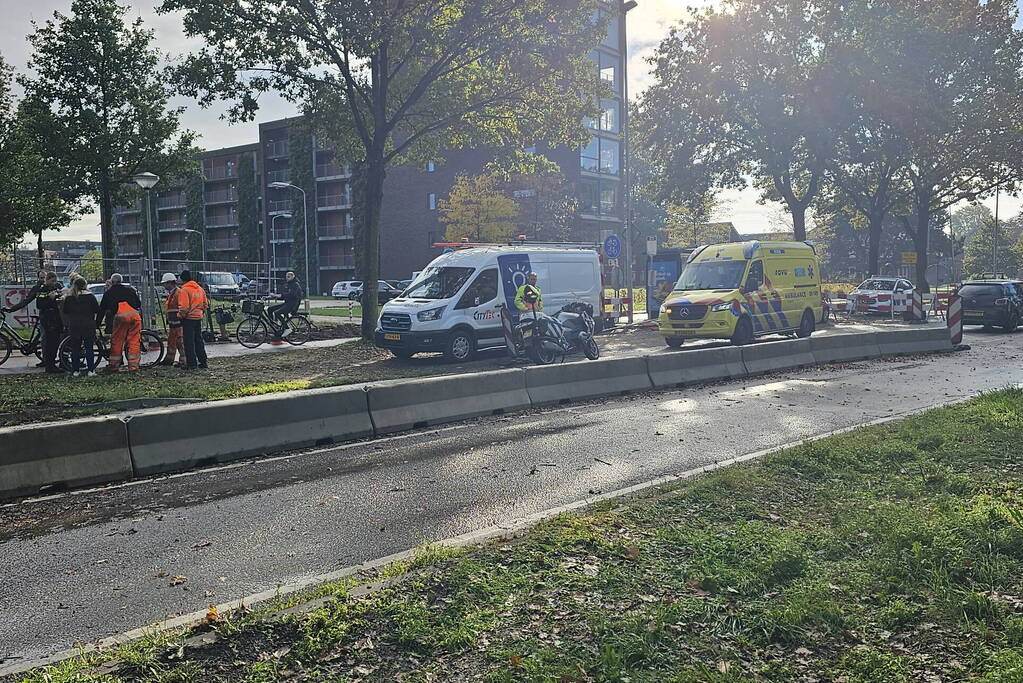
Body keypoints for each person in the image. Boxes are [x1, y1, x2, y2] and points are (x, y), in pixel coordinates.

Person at [96, 273, 143, 373]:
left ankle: (114, 366)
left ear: (112, 282)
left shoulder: (109, 293)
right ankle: (133, 367)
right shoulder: (130, 290)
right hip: (135, 317)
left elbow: (102, 310)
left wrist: (97, 323)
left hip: (120, 319)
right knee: (134, 341)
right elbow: (138, 304)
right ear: (121, 281)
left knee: (117, 341)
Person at [2, 270, 49, 367]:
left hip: (50, 317)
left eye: (44, 278)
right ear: (38, 279)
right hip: (43, 315)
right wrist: (11, 309)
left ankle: (46, 360)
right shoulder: (37, 288)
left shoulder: (53, 286)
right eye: (41, 278)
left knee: (45, 338)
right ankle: (45, 359)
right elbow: (26, 301)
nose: (43, 280)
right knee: (44, 337)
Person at [61, 275, 100, 376]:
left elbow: (65, 310)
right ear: (85, 285)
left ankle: (75, 370)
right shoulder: (90, 296)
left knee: (75, 348)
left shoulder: (70, 298)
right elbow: (96, 309)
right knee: (89, 348)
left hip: (74, 325)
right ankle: (91, 370)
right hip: (88, 324)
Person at [31, 272, 66, 373]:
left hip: (55, 319)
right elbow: (40, 304)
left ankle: (52, 365)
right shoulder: (42, 290)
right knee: (50, 344)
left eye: (55, 281)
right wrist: (50, 299)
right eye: (52, 281)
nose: (54, 283)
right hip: (48, 320)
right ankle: (50, 366)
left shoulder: (53, 289)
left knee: (55, 344)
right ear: (47, 280)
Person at [177, 269, 209, 370]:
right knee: (198, 340)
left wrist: (180, 315)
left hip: (188, 319)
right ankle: (203, 362)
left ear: (182, 279)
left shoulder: (184, 290)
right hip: (198, 318)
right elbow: (205, 304)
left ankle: (191, 364)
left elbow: (184, 307)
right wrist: (200, 312)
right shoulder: (199, 289)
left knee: (189, 342)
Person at [159, 273, 186, 367]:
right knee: (171, 342)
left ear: (170, 283)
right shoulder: (172, 294)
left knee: (180, 343)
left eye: (165, 283)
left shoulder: (178, 293)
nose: (164, 285)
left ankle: (183, 361)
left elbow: (181, 307)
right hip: (173, 324)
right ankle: (169, 360)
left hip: (178, 324)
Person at [268, 270, 303, 336]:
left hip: (293, 305)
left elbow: (291, 294)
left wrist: (280, 295)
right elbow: (284, 295)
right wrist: (272, 297)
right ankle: (273, 326)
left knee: (277, 313)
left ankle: (287, 329)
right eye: (286, 276)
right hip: (287, 303)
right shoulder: (288, 284)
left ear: (293, 277)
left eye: (288, 276)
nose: (287, 278)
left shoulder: (295, 284)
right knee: (270, 309)